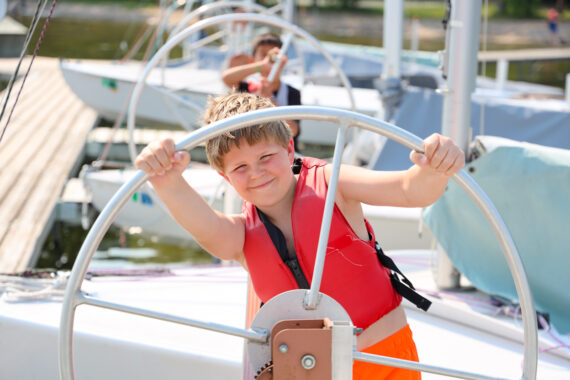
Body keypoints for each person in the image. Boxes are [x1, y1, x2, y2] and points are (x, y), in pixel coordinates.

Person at [135, 92, 465, 379]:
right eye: (240, 168)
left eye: (265, 157)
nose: (257, 173)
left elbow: (410, 191)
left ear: (289, 148)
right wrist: (166, 180)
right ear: (224, 176)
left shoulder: (335, 184)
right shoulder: (238, 236)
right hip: (302, 369)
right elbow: (206, 227)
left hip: (382, 359)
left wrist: (434, 168)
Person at [222, 33, 301, 147]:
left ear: (283, 61)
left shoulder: (292, 93)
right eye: (263, 55)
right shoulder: (247, 88)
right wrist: (260, 66)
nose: (269, 62)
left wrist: (270, 102)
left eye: (274, 58)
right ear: (253, 60)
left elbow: (293, 131)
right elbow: (226, 78)